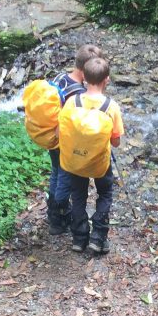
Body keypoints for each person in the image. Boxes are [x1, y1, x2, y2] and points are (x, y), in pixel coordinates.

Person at [65, 55, 124, 254]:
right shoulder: (111, 106)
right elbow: (116, 141)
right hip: (99, 162)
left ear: (84, 77)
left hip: (76, 159)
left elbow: (60, 131)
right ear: (106, 79)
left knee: (78, 195)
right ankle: (98, 237)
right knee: (105, 193)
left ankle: (79, 238)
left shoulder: (73, 101)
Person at [46, 44, 102, 235]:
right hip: (65, 142)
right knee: (65, 179)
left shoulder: (60, 77)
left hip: (51, 137)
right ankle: (59, 215)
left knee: (55, 173)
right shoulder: (78, 92)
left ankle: (52, 209)